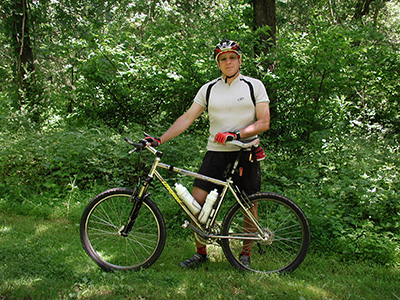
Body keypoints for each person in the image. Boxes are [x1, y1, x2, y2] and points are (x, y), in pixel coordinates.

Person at [145, 38, 270, 268]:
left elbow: (264, 122)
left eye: (232, 57)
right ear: (218, 63)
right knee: (196, 203)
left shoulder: (254, 85)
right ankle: (201, 253)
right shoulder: (209, 89)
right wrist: (160, 138)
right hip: (216, 153)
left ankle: (245, 255)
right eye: (223, 59)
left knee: (250, 206)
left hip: (246, 153)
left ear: (239, 60)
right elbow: (187, 118)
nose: (228, 62)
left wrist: (237, 134)